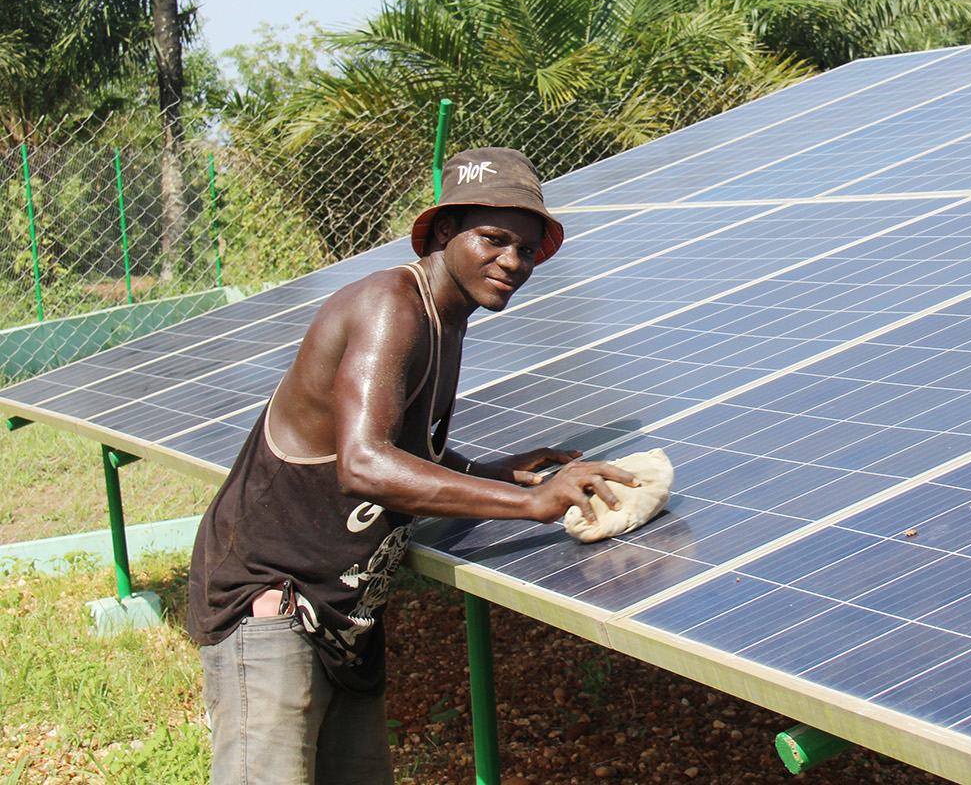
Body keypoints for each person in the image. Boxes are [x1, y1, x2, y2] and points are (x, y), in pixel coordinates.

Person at [187, 147, 636, 785]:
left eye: (528, 250)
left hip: (343, 612)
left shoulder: (445, 319)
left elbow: (404, 444)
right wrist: (531, 502)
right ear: (447, 233)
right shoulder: (391, 306)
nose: (513, 261)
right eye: (494, 238)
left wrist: (496, 471)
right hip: (271, 598)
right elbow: (364, 464)